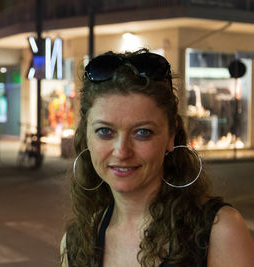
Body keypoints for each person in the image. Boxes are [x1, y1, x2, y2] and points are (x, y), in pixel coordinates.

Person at [60, 49, 254, 267]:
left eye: (142, 132)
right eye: (105, 131)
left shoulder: (219, 231)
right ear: (86, 136)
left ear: (171, 136)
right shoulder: (77, 241)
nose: (122, 151)